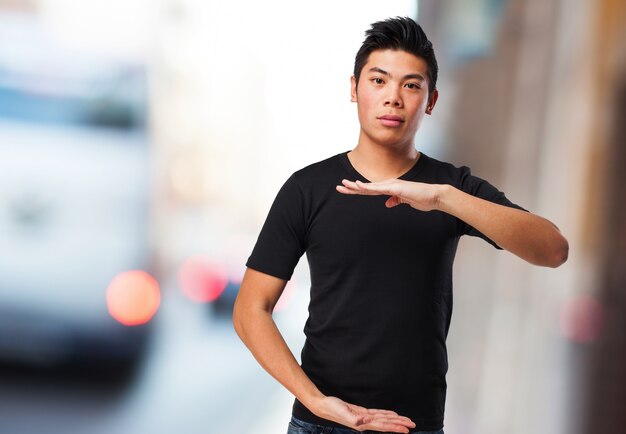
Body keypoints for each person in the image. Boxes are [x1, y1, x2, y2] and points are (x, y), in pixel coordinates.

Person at [232, 16, 568, 434]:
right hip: (322, 426)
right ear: (354, 89)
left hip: (417, 427)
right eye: (379, 81)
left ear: (431, 100)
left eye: (411, 85)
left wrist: (443, 198)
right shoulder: (308, 188)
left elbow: (553, 249)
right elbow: (250, 311)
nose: (393, 98)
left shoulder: (452, 188)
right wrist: (317, 401)